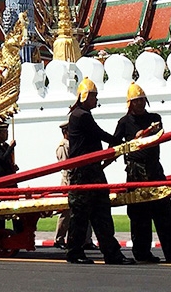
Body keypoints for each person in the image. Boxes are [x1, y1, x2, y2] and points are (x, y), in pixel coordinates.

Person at [113, 83, 171, 264]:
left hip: (154, 169)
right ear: (130, 103)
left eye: (142, 100)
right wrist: (132, 140)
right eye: (136, 101)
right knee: (139, 216)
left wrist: (148, 133)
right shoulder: (124, 122)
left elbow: (159, 134)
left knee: (164, 212)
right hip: (135, 172)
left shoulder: (154, 118)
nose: (140, 103)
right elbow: (114, 146)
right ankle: (142, 253)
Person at [64, 78, 134, 265]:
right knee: (82, 215)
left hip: (91, 170)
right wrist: (121, 142)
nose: (96, 99)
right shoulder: (81, 116)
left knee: (100, 212)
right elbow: (99, 134)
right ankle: (77, 252)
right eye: (94, 96)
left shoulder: (80, 114)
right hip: (83, 173)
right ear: (85, 96)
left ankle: (110, 252)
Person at [0, 122, 18, 240]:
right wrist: (11, 147)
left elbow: (7, 161)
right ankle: (0, 232)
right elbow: (3, 158)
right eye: (4, 132)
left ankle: (16, 231)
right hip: (1, 181)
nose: (6, 134)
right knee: (0, 209)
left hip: (10, 180)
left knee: (15, 206)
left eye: (7, 132)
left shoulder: (5, 146)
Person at [53, 122, 72, 249]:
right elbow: (66, 166)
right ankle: (59, 238)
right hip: (68, 180)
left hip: (75, 178)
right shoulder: (63, 145)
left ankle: (86, 240)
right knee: (66, 212)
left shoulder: (73, 143)